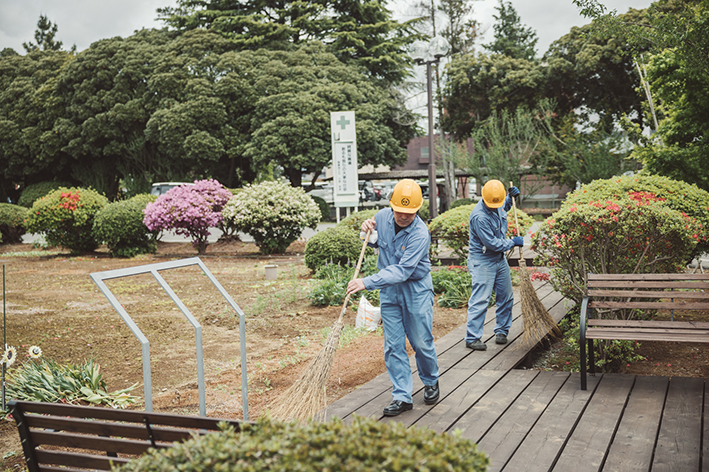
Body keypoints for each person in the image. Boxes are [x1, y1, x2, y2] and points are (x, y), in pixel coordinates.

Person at [346, 179, 440, 417]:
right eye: (399, 210)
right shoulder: (382, 217)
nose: (403, 216)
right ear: (392, 206)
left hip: (415, 289)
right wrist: (366, 229)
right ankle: (402, 396)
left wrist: (365, 282)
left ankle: (430, 381)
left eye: (409, 213)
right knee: (393, 345)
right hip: (389, 291)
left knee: (421, 342)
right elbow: (373, 240)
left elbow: (402, 271)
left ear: (417, 210)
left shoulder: (420, 234)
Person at [465, 179, 523, 351]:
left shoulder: (495, 202)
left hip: (499, 259)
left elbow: (502, 208)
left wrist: (509, 200)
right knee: (481, 299)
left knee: (506, 296)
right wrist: (512, 242)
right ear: (484, 198)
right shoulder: (479, 217)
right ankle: (472, 338)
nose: (494, 206)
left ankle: (502, 331)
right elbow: (492, 243)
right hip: (482, 260)